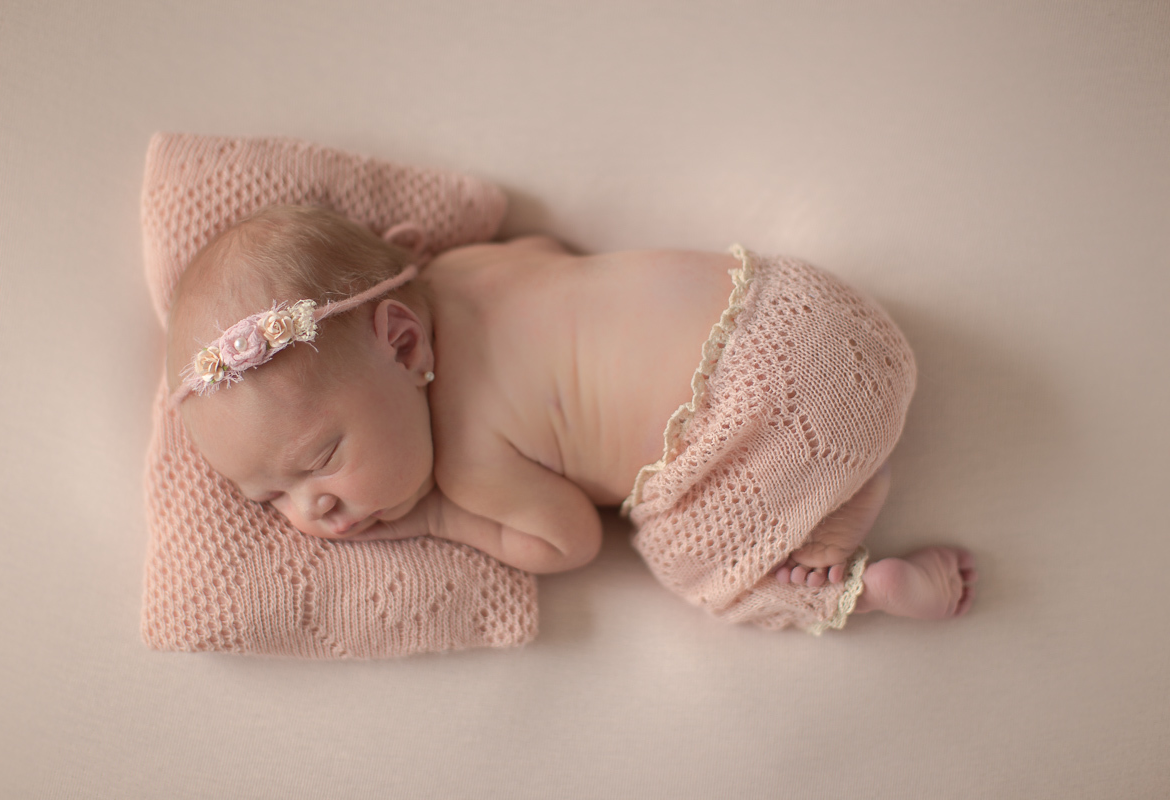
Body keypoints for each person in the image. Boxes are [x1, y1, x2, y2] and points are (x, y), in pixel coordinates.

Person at [167, 205, 976, 634]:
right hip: (811, 310)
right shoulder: (466, 265)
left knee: (688, 561)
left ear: (405, 344)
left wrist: (438, 516)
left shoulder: (468, 461)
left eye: (319, 461)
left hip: (751, 408)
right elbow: (548, 244)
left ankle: (848, 566)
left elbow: (570, 541)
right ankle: (844, 464)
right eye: (269, 498)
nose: (310, 511)